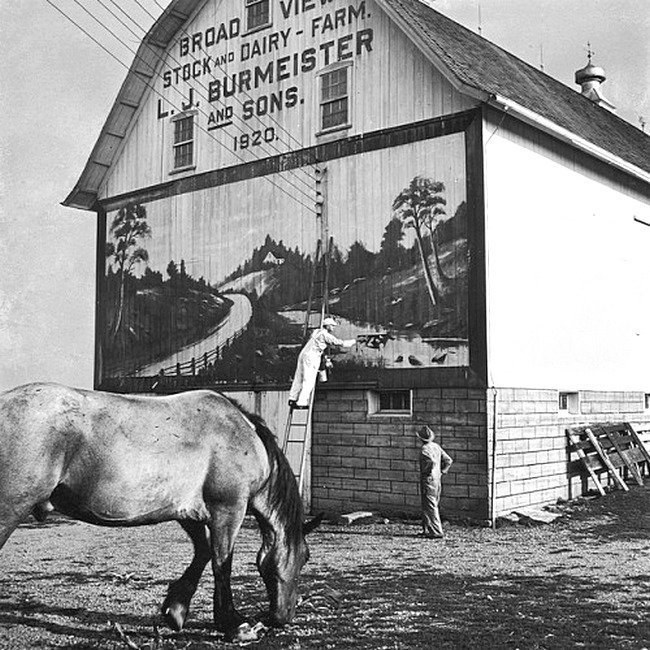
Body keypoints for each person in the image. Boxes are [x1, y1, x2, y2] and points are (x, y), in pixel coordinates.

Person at [288, 317, 356, 409]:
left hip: (303, 354)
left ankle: (292, 398)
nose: (333, 328)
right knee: (309, 380)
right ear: (327, 325)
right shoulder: (325, 335)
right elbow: (340, 343)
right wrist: (355, 341)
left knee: (298, 377)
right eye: (332, 326)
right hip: (311, 356)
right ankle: (302, 402)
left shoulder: (316, 331)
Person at [417, 425, 453, 539]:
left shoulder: (425, 449)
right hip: (437, 479)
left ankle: (436, 531)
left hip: (428, 479)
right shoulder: (436, 446)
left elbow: (431, 462)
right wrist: (442, 471)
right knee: (428, 505)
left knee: (430, 505)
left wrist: (427, 472)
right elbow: (448, 460)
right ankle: (427, 529)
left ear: (421, 439)